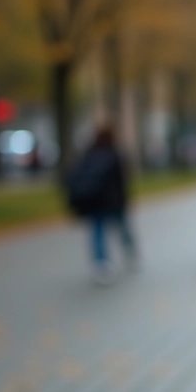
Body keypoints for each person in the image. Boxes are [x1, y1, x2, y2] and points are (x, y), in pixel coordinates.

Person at [67, 121, 136, 285]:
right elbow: (122, 180)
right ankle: (130, 253)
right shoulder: (115, 152)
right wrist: (125, 199)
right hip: (113, 200)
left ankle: (100, 263)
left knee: (97, 231)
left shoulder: (88, 152)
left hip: (94, 200)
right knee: (122, 227)